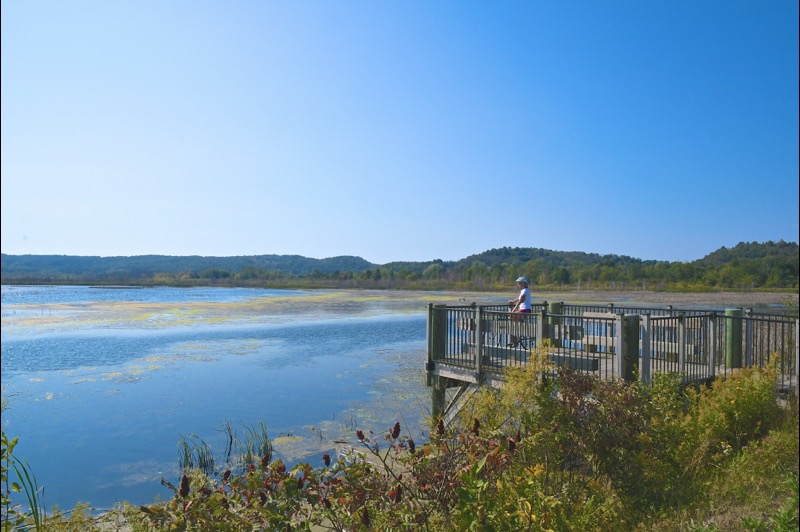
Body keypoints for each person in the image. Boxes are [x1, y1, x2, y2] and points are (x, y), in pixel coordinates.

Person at [507, 277, 531, 347]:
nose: (518, 284)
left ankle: (516, 336)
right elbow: (519, 298)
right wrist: (513, 301)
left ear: (523, 283)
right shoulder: (523, 291)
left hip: (525, 310)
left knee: (512, 316)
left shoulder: (525, 291)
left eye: (519, 283)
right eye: (518, 283)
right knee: (511, 317)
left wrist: (514, 310)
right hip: (522, 309)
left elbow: (521, 301)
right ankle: (516, 336)